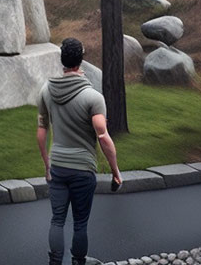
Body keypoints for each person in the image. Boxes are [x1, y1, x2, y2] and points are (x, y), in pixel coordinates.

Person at [36, 38, 122, 265]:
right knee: (80, 223)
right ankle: (78, 261)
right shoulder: (93, 98)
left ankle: (55, 261)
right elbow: (103, 136)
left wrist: (47, 166)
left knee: (57, 220)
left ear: (62, 60)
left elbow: (42, 130)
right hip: (83, 170)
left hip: (58, 168)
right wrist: (115, 172)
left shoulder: (46, 91)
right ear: (81, 60)